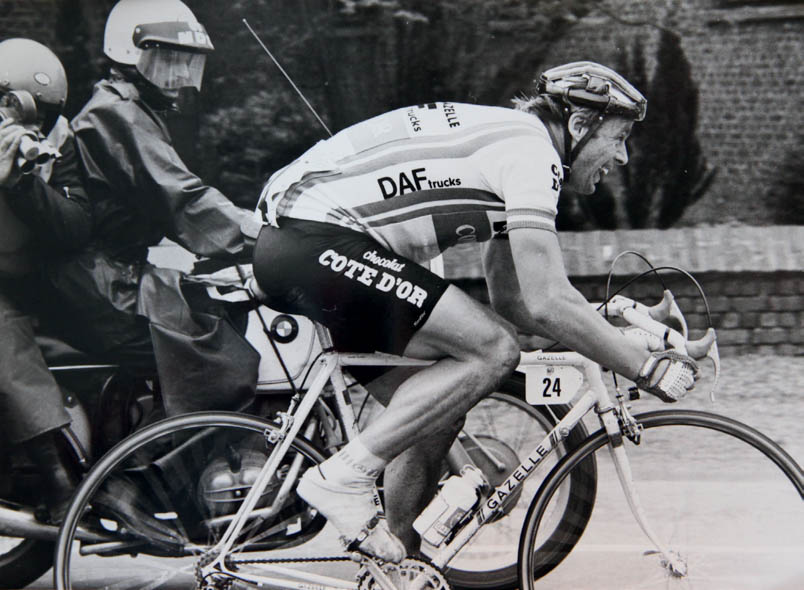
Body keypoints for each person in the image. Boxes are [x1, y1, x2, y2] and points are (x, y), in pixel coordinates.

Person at [250, 62, 700, 562]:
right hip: (313, 239)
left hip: (308, 246)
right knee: (491, 349)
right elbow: (549, 301)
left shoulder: (516, 150)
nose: (622, 155)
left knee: (439, 407)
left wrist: (629, 336)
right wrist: (646, 370)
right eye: (617, 137)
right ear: (578, 126)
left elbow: (520, 303)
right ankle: (341, 478)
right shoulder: (532, 154)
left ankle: (395, 562)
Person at [48, 0, 261, 418]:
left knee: (221, 304)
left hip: (110, 276)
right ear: (131, 56)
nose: (180, 75)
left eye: (186, 62)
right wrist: (268, 237)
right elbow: (183, 199)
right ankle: (165, 468)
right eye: (168, 60)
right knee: (220, 347)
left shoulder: (128, 108)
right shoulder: (114, 114)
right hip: (104, 284)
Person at [0, 38, 92, 521]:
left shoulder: (60, 139)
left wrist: (24, 184)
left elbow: (76, 226)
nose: (38, 124)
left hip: (36, 278)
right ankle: (57, 476)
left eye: (48, 112)